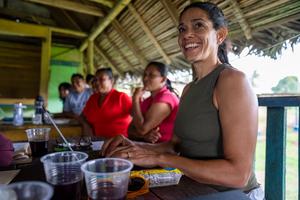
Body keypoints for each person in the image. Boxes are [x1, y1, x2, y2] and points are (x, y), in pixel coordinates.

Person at [101, 2, 263, 200]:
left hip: (235, 194)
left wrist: (160, 158)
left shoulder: (231, 81)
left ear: (219, 35)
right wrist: (134, 146)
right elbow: (175, 146)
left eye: (198, 25)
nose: (187, 34)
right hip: (195, 187)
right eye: (182, 29)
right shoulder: (188, 89)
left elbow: (239, 175)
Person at [129, 61, 179, 143]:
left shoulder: (166, 98)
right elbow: (130, 130)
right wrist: (144, 136)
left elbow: (142, 129)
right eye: (145, 74)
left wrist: (135, 100)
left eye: (151, 75)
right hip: (146, 146)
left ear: (163, 79)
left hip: (164, 150)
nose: (145, 79)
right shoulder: (148, 100)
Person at [81, 68, 132, 139]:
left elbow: (136, 119)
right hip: (97, 142)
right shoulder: (92, 98)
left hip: (119, 143)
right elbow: (83, 116)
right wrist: (86, 125)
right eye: (95, 80)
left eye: (101, 79)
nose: (97, 83)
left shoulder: (121, 97)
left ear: (111, 81)